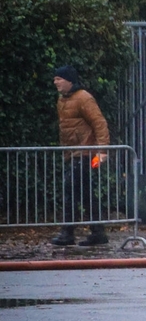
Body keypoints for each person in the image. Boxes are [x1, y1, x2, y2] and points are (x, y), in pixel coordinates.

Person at [51, 65, 111, 247]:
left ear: (69, 80)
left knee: (71, 191)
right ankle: (97, 232)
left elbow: (99, 123)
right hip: (74, 152)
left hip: (84, 153)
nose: (55, 82)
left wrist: (102, 150)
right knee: (85, 194)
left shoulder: (83, 98)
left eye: (59, 79)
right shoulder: (63, 100)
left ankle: (68, 233)